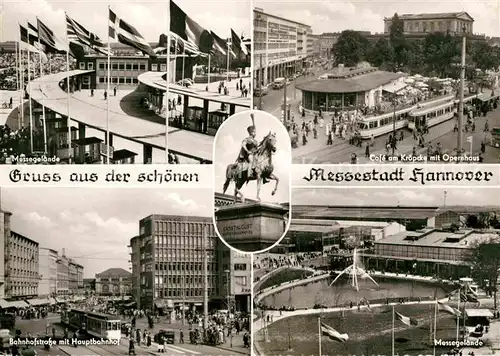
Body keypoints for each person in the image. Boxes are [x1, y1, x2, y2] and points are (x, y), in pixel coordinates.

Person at [237, 113, 259, 177]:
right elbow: (243, 145)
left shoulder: (255, 141)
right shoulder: (247, 139)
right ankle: (249, 173)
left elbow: (254, 127)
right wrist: (247, 151)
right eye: (254, 132)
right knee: (251, 159)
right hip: (249, 154)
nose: (255, 133)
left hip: (255, 154)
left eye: (255, 132)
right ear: (251, 132)